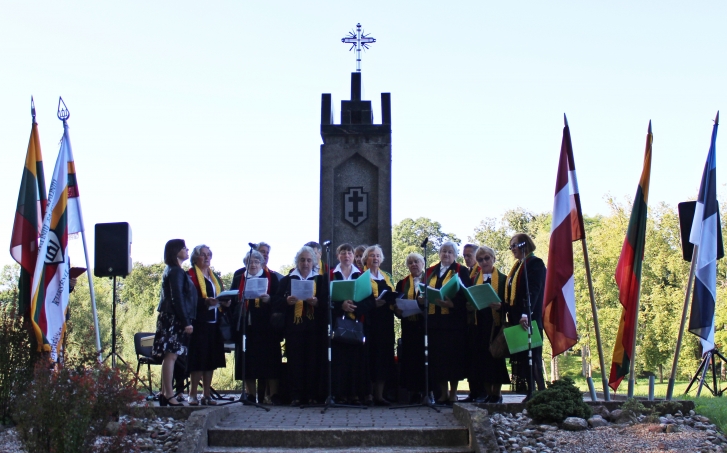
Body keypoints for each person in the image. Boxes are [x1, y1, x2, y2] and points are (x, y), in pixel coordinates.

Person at [274, 246, 328, 406]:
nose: (305, 263)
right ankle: (295, 396)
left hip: (314, 328)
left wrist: (318, 302)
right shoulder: (287, 280)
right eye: (302, 260)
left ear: (314, 262)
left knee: (313, 362)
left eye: (309, 260)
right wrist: (286, 301)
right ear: (297, 262)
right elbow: (275, 302)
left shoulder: (321, 280)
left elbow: (328, 303)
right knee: (295, 362)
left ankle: (312, 395)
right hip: (294, 328)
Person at [231, 249, 281, 404]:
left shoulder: (271, 277)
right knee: (248, 361)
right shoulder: (240, 277)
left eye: (256, 261)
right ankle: (250, 395)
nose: (252, 264)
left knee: (269, 361)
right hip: (246, 325)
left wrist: (269, 299)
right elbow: (233, 299)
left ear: (261, 263)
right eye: (249, 262)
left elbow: (279, 299)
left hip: (267, 327)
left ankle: (273, 395)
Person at [426, 241, 471, 405]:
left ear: (455, 255)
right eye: (443, 251)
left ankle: (453, 393)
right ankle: (443, 393)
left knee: (453, 358)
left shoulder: (461, 270)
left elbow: (467, 293)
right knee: (438, 359)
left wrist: (453, 304)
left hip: (453, 323)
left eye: (450, 252)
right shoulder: (431, 271)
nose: (446, 254)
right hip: (435, 322)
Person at [152, 239, 196, 407]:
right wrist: (186, 322)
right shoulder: (176, 271)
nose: (187, 250)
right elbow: (177, 298)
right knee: (171, 355)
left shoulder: (172, 270)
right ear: (176, 250)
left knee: (170, 355)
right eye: (184, 248)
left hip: (169, 316)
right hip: (174, 318)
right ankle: (169, 394)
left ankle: (165, 393)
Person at [504, 233, 547, 399]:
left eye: (514, 245)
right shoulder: (517, 267)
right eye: (511, 246)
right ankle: (530, 391)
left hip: (529, 318)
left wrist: (525, 313)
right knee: (523, 358)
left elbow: (533, 291)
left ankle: (540, 393)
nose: (512, 249)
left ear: (524, 245)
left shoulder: (535, 263)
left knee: (533, 356)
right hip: (516, 319)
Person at [330, 243, 371, 404]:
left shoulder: (361, 275)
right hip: (337, 324)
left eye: (349, 253)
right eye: (343, 253)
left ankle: (354, 394)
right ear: (337, 256)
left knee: (355, 361)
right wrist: (341, 306)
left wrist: (354, 306)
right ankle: (339, 394)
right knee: (339, 361)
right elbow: (325, 299)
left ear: (354, 257)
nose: (346, 255)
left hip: (356, 325)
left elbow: (369, 302)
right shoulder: (331, 275)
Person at [186, 245, 227, 406]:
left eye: (209, 255)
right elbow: (188, 299)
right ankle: (192, 394)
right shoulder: (190, 276)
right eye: (203, 255)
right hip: (199, 323)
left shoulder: (213, 276)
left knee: (210, 360)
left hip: (214, 323)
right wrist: (204, 301)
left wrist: (225, 302)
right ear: (195, 258)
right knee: (198, 360)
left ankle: (207, 394)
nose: (207, 257)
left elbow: (219, 294)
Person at [470, 246, 510, 403]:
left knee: (496, 358)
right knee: (482, 359)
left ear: (493, 258)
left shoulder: (502, 279)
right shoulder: (474, 278)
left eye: (487, 258)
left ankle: (497, 394)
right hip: (479, 323)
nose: (484, 261)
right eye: (480, 259)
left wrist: (501, 306)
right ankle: (487, 393)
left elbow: (509, 303)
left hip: (495, 323)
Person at [360, 245, 398, 406]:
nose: (375, 258)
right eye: (371, 255)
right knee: (369, 357)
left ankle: (380, 395)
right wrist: (373, 304)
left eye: (377, 256)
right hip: (369, 322)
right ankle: (368, 394)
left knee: (383, 357)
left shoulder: (386, 277)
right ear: (365, 259)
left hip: (385, 322)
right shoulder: (361, 276)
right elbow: (359, 300)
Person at [395, 252, 427, 403]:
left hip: (425, 326)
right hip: (409, 326)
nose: (414, 264)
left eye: (417, 261)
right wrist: (398, 310)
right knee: (411, 360)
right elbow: (397, 303)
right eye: (410, 263)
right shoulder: (402, 283)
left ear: (422, 264)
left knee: (426, 358)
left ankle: (428, 391)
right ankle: (414, 392)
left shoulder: (430, 280)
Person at [461, 243, 481, 402]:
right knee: (470, 357)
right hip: (468, 320)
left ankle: (481, 392)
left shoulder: (480, 272)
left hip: (480, 320)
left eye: (469, 255)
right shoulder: (466, 272)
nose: (466, 258)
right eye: (464, 256)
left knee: (478, 356)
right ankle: (473, 392)